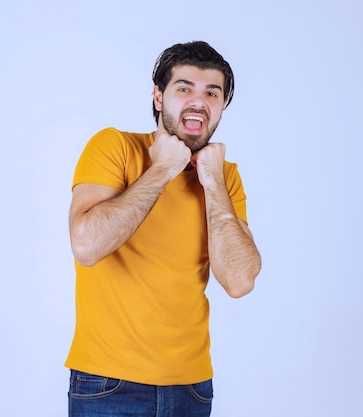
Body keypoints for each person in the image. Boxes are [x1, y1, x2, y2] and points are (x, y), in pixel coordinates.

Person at [65, 40, 262, 417]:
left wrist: (212, 181)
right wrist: (163, 169)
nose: (198, 100)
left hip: (192, 389)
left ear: (221, 106)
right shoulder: (116, 147)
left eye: (211, 93)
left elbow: (239, 281)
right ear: (158, 96)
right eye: (183, 88)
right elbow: (87, 245)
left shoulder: (224, 178)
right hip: (108, 384)